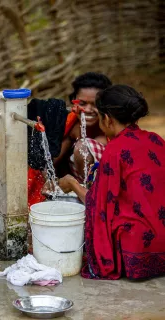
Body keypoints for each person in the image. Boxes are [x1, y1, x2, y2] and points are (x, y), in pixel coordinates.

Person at [59, 85, 165, 280]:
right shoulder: (156, 140)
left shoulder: (115, 150)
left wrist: (73, 183)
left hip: (137, 249)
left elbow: (99, 206)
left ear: (107, 118)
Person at [28, 72, 112, 207]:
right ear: (73, 102)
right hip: (76, 189)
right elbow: (51, 161)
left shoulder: (112, 128)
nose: (88, 110)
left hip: (106, 190)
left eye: (95, 104)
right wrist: (50, 180)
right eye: (82, 103)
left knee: (83, 147)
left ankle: (91, 200)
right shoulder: (71, 126)